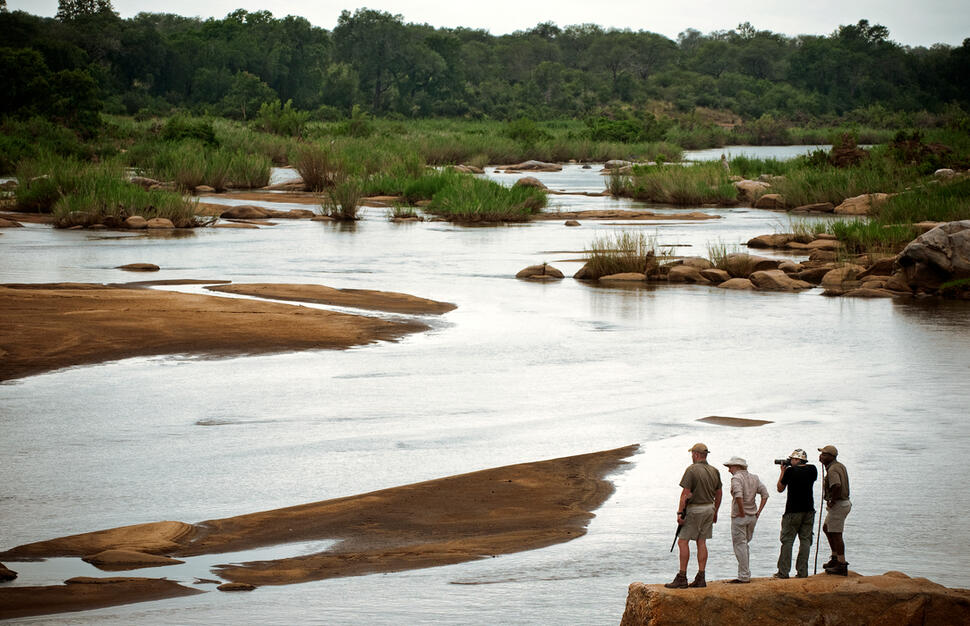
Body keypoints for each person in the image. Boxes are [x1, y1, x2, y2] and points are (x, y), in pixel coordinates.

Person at [666, 443, 722, 589]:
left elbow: (685, 493)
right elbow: (719, 493)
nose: (691, 456)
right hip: (709, 508)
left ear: (696, 454)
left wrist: (680, 513)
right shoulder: (714, 470)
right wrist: (715, 510)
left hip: (695, 509)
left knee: (682, 542)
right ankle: (701, 576)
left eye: (692, 454)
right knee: (701, 542)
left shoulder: (691, 470)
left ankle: (682, 576)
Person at [723, 456, 769, 584]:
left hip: (740, 516)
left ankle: (743, 576)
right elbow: (765, 494)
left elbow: (738, 495)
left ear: (737, 467)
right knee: (745, 544)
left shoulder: (736, 478)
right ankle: (745, 573)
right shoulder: (754, 477)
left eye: (730, 467)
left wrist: (741, 512)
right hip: (753, 516)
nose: (729, 470)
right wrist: (758, 511)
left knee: (739, 545)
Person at [773, 448, 818, 579]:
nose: (789, 461)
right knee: (805, 540)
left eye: (792, 459)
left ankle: (783, 572)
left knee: (787, 541)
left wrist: (782, 472)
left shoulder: (790, 471)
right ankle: (802, 572)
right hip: (809, 510)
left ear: (797, 460)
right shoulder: (812, 470)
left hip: (792, 511)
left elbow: (780, 488)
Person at [819, 445, 851, 576]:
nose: (820, 456)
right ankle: (834, 558)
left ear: (831, 457)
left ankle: (841, 564)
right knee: (827, 528)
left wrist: (832, 499)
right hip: (843, 503)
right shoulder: (838, 466)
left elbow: (836, 485)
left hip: (839, 503)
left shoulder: (832, 469)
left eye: (824, 454)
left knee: (836, 534)